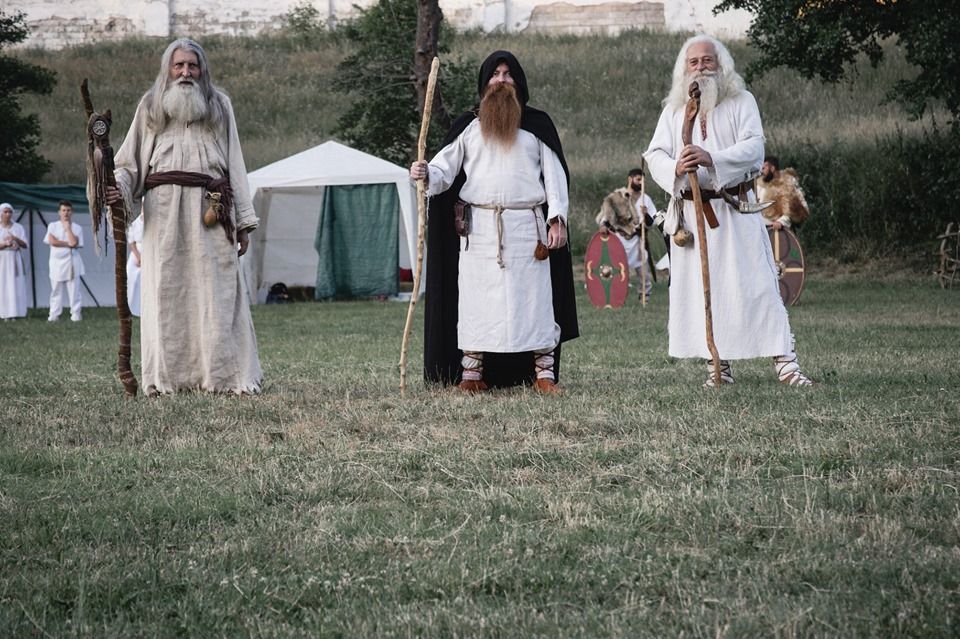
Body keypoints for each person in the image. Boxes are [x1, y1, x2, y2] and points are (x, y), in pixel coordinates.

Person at [643, 35, 814, 387]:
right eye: (694, 62)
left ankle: (786, 366)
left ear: (721, 65)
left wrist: (712, 158)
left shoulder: (741, 101)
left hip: (735, 211)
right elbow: (654, 154)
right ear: (684, 68)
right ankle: (719, 367)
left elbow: (754, 149)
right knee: (705, 291)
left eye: (708, 60)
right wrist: (676, 167)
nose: (701, 67)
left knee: (759, 285)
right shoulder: (674, 111)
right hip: (694, 216)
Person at [410, 50, 579, 394]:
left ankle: (543, 375)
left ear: (519, 81)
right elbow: (444, 170)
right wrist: (426, 173)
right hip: (480, 230)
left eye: (508, 74)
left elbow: (555, 176)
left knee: (534, 300)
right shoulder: (470, 127)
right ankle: (472, 375)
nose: (501, 80)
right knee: (476, 301)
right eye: (495, 74)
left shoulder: (537, 126)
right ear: (484, 82)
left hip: (527, 229)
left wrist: (557, 218)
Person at [105, 38, 262, 395]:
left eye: (192, 65)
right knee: (167, 293)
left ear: (202, 69)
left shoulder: (220, 105)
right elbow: (129, 164)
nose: (186, 72)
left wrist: (243, 221)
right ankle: (168, 379)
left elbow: (235, 161)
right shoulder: (150, 106)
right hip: (162, 214)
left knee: (217, 293)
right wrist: (118, 187)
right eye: (179, 66)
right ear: (168, 69)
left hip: (212, 209)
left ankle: (223, 377)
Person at [596, 166, 658, 298]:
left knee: (643, 270)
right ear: (630, 179)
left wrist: (645, 215)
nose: (641, 183)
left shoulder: (645, 199)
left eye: (643, 181)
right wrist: (603, 225)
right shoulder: (617, 197)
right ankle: (615, 296)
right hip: (619, 238)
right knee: (616, 268)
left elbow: (652, 221)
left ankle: (644, 295)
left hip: (638, 239)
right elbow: (607, 215)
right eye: (638, 179)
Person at [43, 200, 85, 322]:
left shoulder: (77, 228)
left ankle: (76, 314)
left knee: (74, 290)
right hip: (56, 262)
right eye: (63, 210)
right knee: (55, 289)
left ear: (72, 212)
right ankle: (54, 314)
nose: (66, 213)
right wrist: (68, 243)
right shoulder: (53, 226)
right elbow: (52, 241)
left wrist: (67, 229)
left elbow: (75, 243)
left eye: (68, 210)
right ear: (59, 212)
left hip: (72, 262)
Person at [756, 154, 810, 230]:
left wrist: (781, 222)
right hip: (760, 227)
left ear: (772, 168)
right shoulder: (759, 184)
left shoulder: (787, 183)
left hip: (780, 230)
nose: (761, 171)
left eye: (764, 168)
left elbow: (793, 208)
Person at [0, 202, 28, 320]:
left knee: (15, 285)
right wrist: (5, 244)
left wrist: (15, 238)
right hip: (2, 259)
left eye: (10, 212)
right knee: (3, 285)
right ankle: (4, 313)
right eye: (5, 212)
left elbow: (25, 245)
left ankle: (15, 312)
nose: (8, 214)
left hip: (14, 259)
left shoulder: (18, 227)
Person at [126, 214, 144, 317]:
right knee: (130, 277)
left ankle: (143, 308)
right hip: (137, 252)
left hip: (150, 251)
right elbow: (131, 241)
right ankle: (129, 308)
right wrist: (138, 256)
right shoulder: (134, 220)